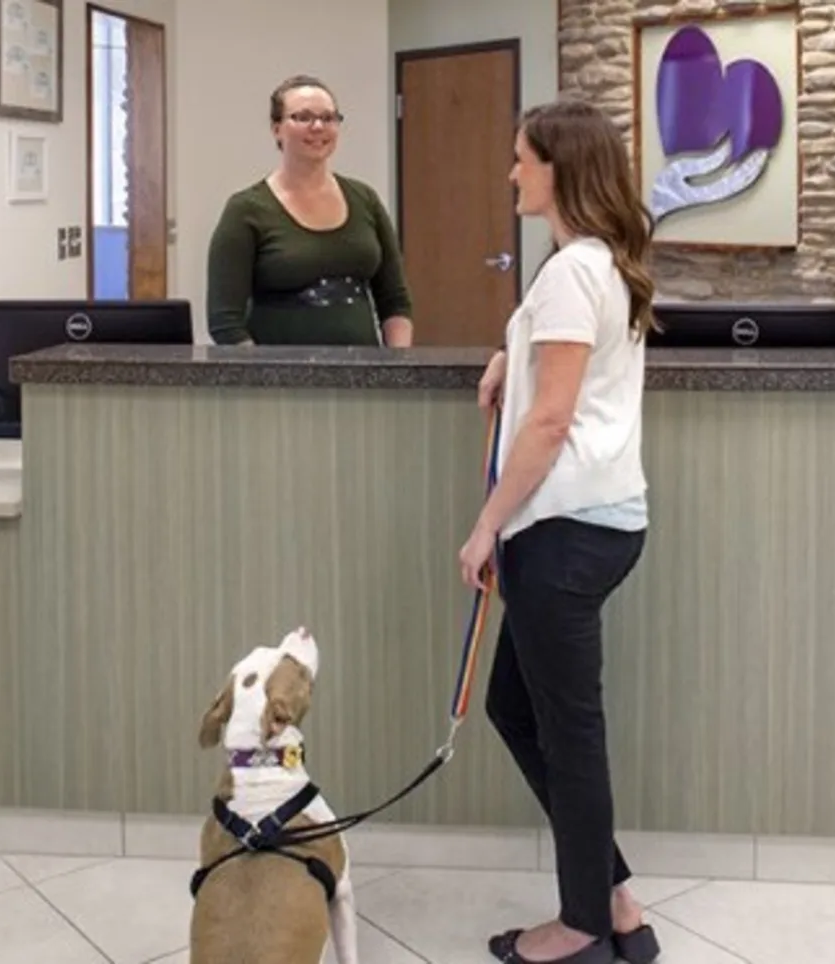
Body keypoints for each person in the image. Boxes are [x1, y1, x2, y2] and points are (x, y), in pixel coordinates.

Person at [457, 98, 657, 964]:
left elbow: (550, 424)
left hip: (563, 530)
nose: (511, 173)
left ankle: (580, 927)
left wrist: (484, 531)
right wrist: (516, 350)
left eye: (521, 160)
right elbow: (573, 370)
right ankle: (611, 899)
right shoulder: (595, 265)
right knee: (515, 705)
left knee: (570, 731)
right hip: (596, 525)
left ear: (559, 169)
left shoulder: (575, 270)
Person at [205, 75, 414, 346]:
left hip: (363, 376)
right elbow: (225, 322)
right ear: (276, 128)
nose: (318, 127)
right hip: (280, 379)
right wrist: (264, 380)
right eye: (303, 117)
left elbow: (395, 301)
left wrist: (397, 368)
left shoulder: (365, 199)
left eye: (328, 118)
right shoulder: (246, 210)